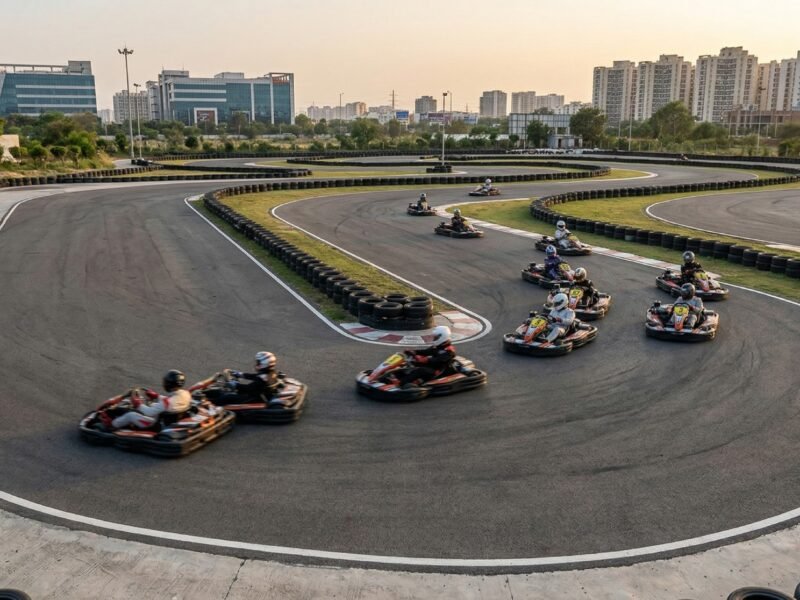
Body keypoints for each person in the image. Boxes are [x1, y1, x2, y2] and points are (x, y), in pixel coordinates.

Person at [100, 369, 192, 430]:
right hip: (171, 419)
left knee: (131, 415)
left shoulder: (167, 402)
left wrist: (138, 404)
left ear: (170, 384)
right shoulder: (186, 394)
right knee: (150, 404)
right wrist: (156, 396)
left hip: (157, 424)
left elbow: (149, 412)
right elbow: (173, 401)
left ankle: (111, 425)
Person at [392, 326, 456, 387]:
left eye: (435, 337)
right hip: (430, 366)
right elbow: (426, 352)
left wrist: (426, 360)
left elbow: (439, 359)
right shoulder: (438, 346)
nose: (434, 339)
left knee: (421, 370)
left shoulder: (449, 350)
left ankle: (400, 383)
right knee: (408, 364)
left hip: (438, 371)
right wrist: (414, 351)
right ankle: (396, 376)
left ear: (442, 337)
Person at [210, 351, 280, 405]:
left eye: (258, 362)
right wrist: (240, 374)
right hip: (258, 394)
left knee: (227, 397)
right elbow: (254, 377)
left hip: (253, 398)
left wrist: (235, 385)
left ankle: (210, 405)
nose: (256, 364)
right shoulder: (270, 373)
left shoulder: (263, 378)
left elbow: (249, 388)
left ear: (264, 364)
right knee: (224, 391)